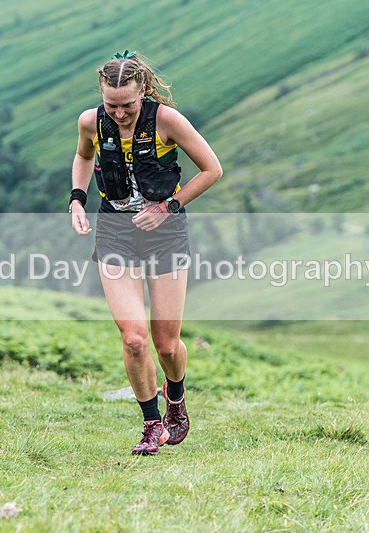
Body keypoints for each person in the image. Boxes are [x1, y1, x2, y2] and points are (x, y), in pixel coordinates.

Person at [69, 50, 222, 456]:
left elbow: (212, 169)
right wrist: (77, 200)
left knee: (166, 344)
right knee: (134, 339)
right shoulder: (91, 121)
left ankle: (176, 401)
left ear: (143, 92)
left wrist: (168, 207)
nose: (120, 114)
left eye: (128, 105)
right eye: (111, 105)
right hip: (115, 231)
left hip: (165, 233)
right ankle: (152, 424)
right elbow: (84, 156)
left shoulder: (167, 121)